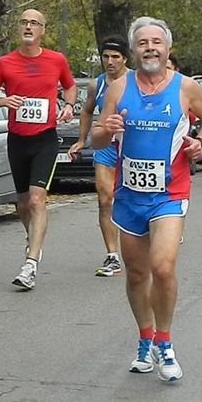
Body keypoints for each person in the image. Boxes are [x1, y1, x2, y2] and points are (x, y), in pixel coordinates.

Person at [91, 16, 202, 382]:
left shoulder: (185, 88)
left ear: (167, 49)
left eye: (156, 42)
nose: (150, 48)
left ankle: (165, 342)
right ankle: (145, 338)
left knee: (162, 268)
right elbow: (98, 138)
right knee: (136, 274)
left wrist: (200, 141)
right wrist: (107, 130)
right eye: (143, 43)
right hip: (129, 195)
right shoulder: (118, 88)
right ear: (134, 50)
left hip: (169, 194)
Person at [0, 9, 76, 290]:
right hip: (17, 140)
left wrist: (69, 106)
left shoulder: (56, 60)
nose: (28, 26)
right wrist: (3, 102)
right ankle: (33, 239)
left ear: (42, 31)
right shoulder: (5, 62)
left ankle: (31, 263)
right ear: (18, 28)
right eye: (24, 22)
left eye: (34, 23)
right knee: (23, 203)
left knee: (37, 199)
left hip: (45, 138)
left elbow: (69, 88)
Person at [68, 37, 129, 276]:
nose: (110, 61)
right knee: (105, 199)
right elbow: (86, 110)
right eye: (106, 56)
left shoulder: (136, 81)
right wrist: (82, 140)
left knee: (132, 199)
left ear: (125, 58)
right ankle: (112, 255)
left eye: (115, 57)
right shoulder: (97, 85)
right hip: (105, 147)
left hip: (131, 148)